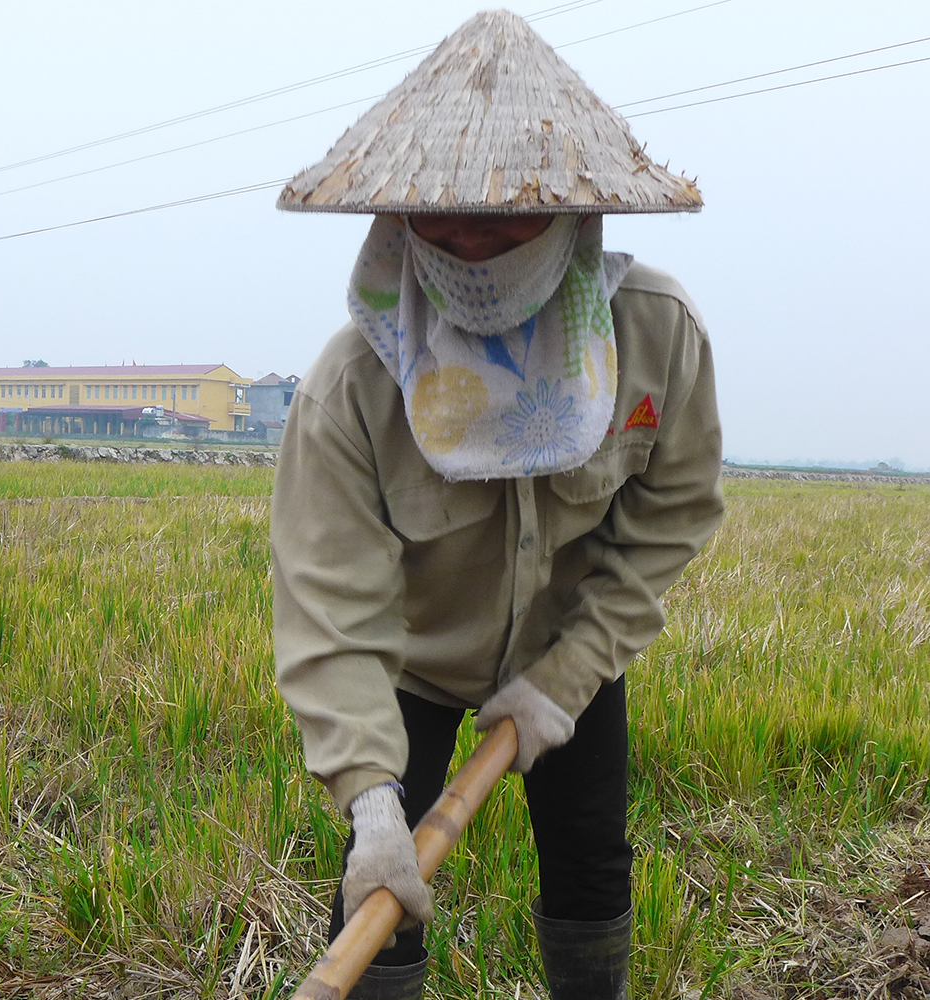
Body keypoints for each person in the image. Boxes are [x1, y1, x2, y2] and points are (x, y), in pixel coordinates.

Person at [270, 11, 724, 1000]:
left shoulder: (656, 337)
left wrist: (566, 677)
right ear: (396, 218)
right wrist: (373, 800)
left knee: (592, 856)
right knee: (376, 893)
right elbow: (329, 607)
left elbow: (671, 517)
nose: (471, 243)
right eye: (442, 219)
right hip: (412, 662)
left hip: (570, 647)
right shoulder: (352, 385)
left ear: (573, 215)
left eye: (505, 219)